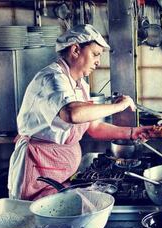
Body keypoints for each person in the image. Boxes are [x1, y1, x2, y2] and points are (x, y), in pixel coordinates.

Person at [8, 24, 153, 200]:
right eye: (95, 54)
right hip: (38, 170)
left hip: (59, 171)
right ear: (76, 50)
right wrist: (119, 106)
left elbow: (93, 127)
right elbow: (72, 114)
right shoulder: (52, 78)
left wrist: (133, 133)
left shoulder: (79, 84)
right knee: (35, 221)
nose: (98, 62)